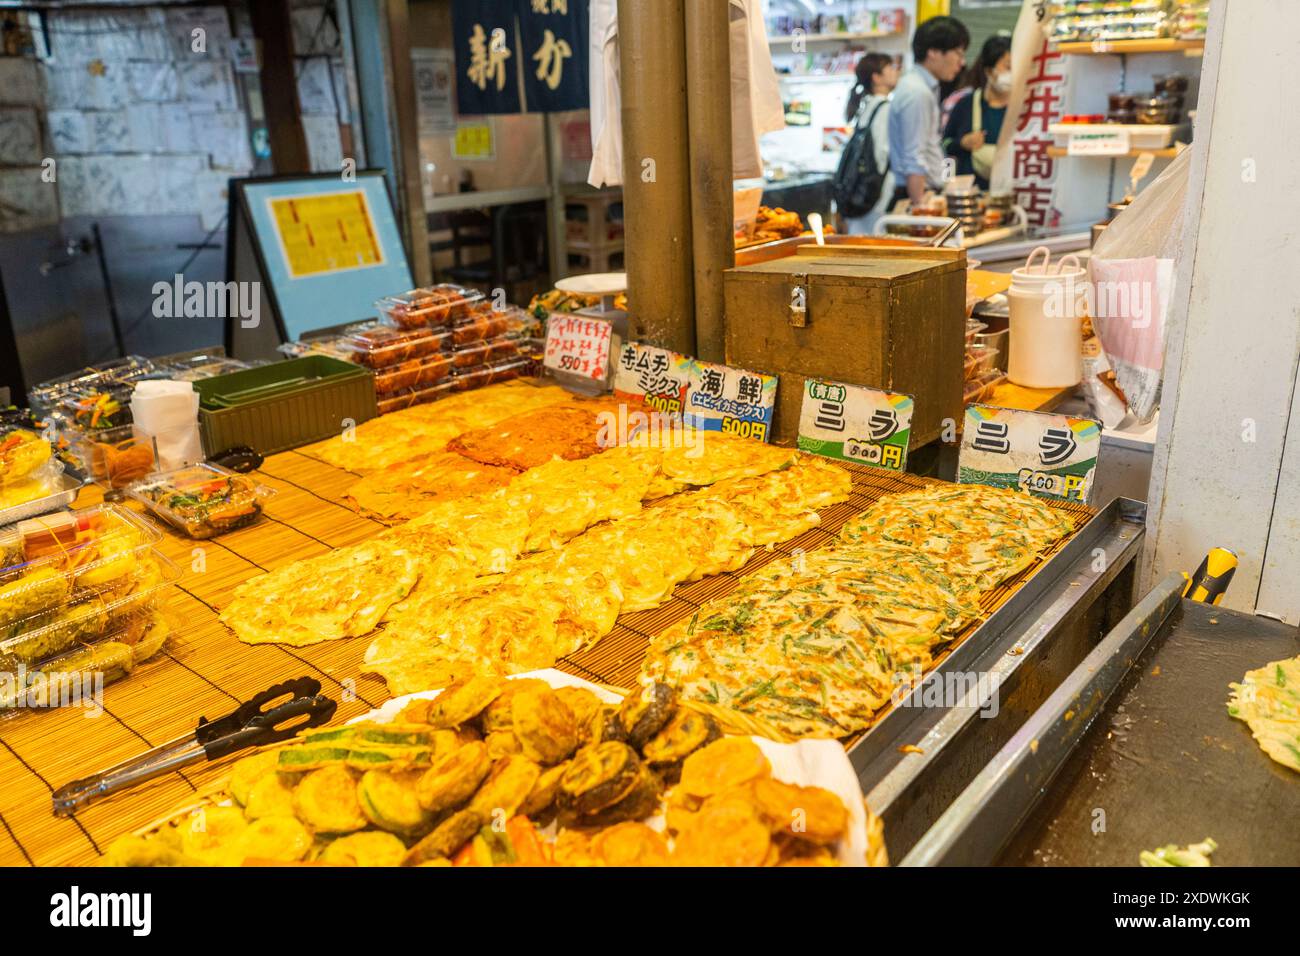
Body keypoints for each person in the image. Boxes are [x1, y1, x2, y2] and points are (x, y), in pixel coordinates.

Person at [887, 15, 970, 207]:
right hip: (918, 194)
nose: (962, 62)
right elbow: (914, 157)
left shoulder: (923, 87)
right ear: (933, 52)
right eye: (958, 53)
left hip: (925, 190)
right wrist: (921, 209)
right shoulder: (917, 92)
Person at [942, 34, 1012, 191]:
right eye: (1008, 67)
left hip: (1010, 194)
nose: (1012, 73)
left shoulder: (1024, 108)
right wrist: (961, 143)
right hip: (969, 197)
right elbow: (944, 145)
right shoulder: (965, 104)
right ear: (988, 71)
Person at [842, 53, 900, 234]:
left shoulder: (867, 106)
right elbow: (882, 153)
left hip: (861, 192)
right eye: (890, 68)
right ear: (876, 77)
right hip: (876, 194)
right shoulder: (884, 108)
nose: (896, 71)